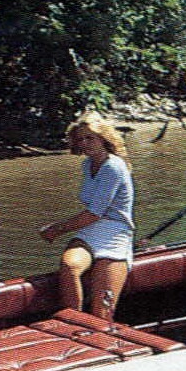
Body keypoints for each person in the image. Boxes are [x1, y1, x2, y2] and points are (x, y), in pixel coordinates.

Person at [39, 112, 134, 321]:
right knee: (69, 265)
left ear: (103, 138)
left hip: (115, 233)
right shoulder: (87, 165)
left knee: (102, 314)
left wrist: (57, 228)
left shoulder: (113, 166)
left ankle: (95, 333)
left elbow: (94, 213)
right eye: (80, 139)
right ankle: (72, 321)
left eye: (90, 137)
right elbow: (91, 216)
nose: (84, 143)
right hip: (92, 231)